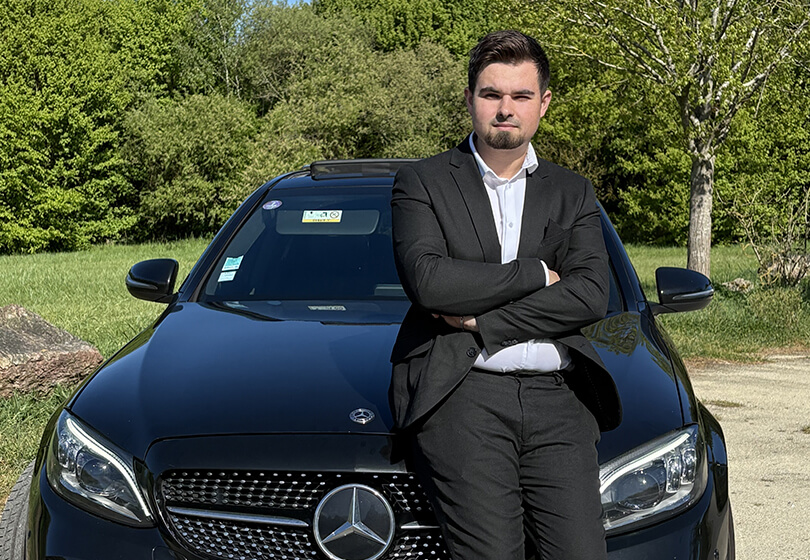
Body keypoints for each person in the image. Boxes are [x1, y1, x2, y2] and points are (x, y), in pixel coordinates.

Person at [389, 30, 622, 560]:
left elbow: (590, 295)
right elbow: (430, 282)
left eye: (520, 96)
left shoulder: (573, 191)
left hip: (560, 399)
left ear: (543, 104)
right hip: (465, 396)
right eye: (492, 94)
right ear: (470, 99)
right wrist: (535, 274)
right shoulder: (422, 182)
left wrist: (483, 320)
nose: (505, 110)